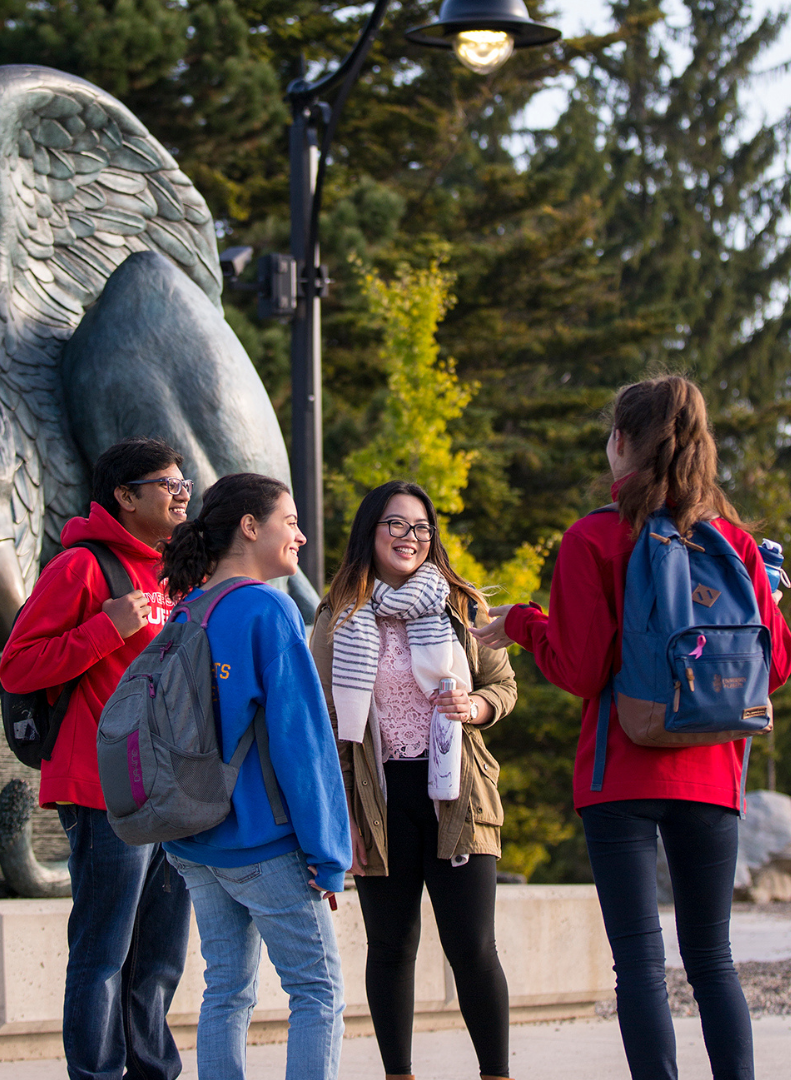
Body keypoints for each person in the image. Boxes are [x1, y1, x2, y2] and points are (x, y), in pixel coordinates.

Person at [472, 375, 791, 1080]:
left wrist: (524, 623)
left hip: (618, 775)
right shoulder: (735, 543)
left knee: (641, 964)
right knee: (713, 961)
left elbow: (583, 670)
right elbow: (776, 664)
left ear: (621, 442)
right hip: (711, 773)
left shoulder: (593, 537)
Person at [309, 480, 517, 1080]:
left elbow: (502, 688)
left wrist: (474, 708)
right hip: (377, 798)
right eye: (395, 525)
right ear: (369, 533)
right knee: (391, 947)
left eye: (421, 527)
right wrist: (339, 814)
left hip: (459, 793)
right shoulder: (337, 613)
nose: (410, 538)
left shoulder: (458, 605)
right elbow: (326, 722)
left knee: (473, 948)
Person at [0, 436, 193, 1080]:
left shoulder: (176, 574)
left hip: (171, 794)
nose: (181, 492)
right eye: (167, 484)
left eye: (183, 482)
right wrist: (106, 627)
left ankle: (153, 1072)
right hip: (103, 790)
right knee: (104, 950)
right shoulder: (81, 568)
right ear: (126, 495)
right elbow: (19, 664)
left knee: (161, 957)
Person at [158, 472, 350, 1080]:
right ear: (249, 527)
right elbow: (304, 742)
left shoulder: (187, 608)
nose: (299, 534)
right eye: (289, 521)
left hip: (193, 838)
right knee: (318, 994)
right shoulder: (269, 608)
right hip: (262, 843)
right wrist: (328, 853)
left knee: (227, 992)